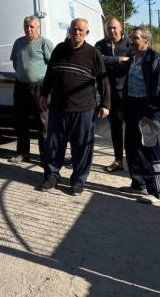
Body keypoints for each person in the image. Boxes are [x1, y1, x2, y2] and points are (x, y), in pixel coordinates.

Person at [39, 18, 110, 195]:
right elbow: (49, 75)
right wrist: (43, 95)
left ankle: (78, 180)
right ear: (69, 31)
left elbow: (103, 80)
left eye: (80, 30)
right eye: (74, 29)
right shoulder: (59, 49)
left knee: (82, 146)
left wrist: (105, 104)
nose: (76, 32)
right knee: (54, 144)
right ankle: (52, 175)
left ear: (87, 33)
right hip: (58, 107)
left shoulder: (93, 53)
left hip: (84, 109)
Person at [120, 28, 160, 204]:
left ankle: (157, 192)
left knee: (149, 149)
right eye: (131, 38)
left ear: (146, 41)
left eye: (135, 38)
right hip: (132, 107)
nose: (131, 41)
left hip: (146, 109)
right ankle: (138, 183)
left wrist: (152, 113)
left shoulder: (155, 59)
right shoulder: (133, 58)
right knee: (132, 147)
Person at [9, 16, 54, 164]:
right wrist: (24, 74)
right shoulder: (18, 42)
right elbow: (16, 63)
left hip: (39, 87)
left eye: (31, 26)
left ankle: (45, 155)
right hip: (21, 85)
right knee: (20, 120)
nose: (28, 29)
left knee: (42, 122)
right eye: (26, 26)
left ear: (37, 27)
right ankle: (22, 153)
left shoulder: (44, 43)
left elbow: (52, 65)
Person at [95, 17, 131, 173]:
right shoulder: (100, 44)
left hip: (128, 95)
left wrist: (110, 62)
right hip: (109, 95)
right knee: (115, 130)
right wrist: (118, 59)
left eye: (114, 28)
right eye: (109, 28)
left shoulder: (130, 44)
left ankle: (134, 162)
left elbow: (132, 61)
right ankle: (118, 161)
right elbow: (98, 60)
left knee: (132, 130)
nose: (112, 31)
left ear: (121, 28)